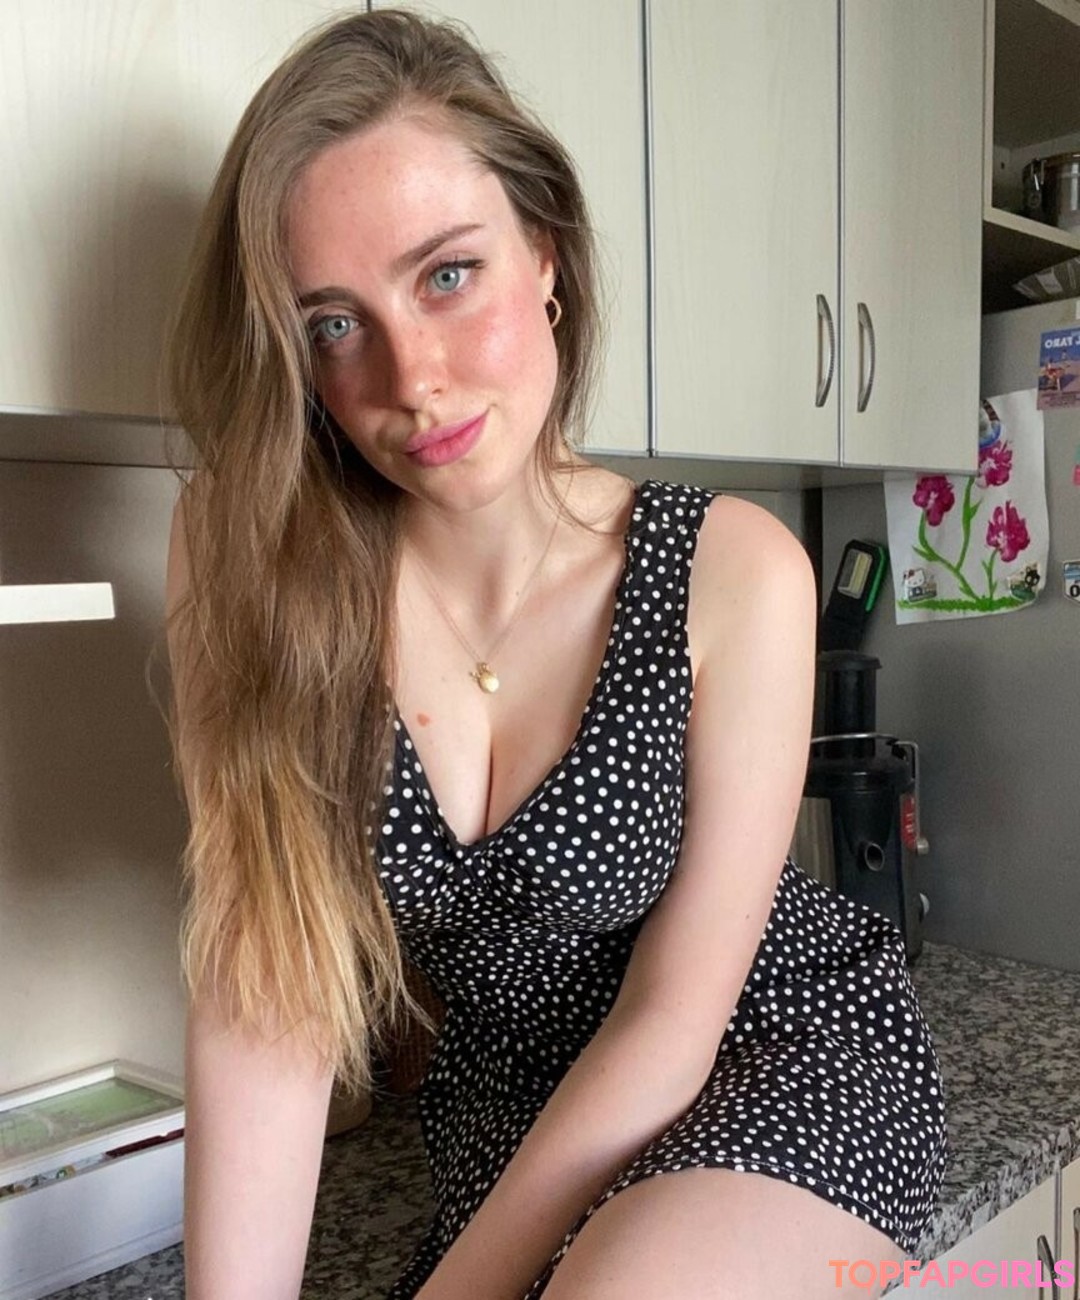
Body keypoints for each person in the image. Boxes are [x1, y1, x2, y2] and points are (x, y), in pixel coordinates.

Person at [163, 10, 947, 1299]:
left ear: (546, 255)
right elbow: (270, 988)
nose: (411, 377)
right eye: (334, 324)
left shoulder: (734, 571)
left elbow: (672, 1021)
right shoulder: (256, 560)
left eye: (448, 276)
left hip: (770, 1050)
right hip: (510, 1113)